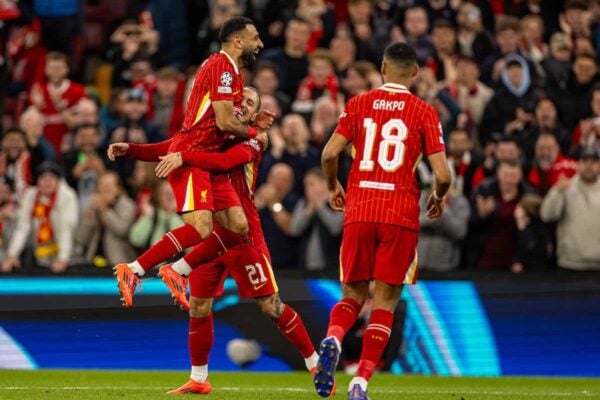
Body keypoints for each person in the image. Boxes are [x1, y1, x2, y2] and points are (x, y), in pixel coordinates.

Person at [124, 87, 320, 395]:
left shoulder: (255, 139)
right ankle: (199, 378)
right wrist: (132, 150)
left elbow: (224, 162)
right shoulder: (212, 132)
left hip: (243, 236)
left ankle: (315, 364)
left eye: (250, 103)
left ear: (254, 115)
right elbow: (169, 146)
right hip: (212, 236)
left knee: (271, 306)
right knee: (199, 307)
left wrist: (183, 157)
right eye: (240, 99)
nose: (242, 104)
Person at [108, 17, 274, 307]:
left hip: (201, 157)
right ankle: (134, 270)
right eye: (255, 37)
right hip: (194, 160)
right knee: (201, 228)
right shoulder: (223, 68)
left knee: (238, 226)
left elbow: (188, 134)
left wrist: (133, 149)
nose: (259, 44)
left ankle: (177, 270)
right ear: (238, 41)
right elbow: (221, 123)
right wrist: (253, 132)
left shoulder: (231, 74)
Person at [316, 43, 451, 399]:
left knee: (352, 295)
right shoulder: (424, 112)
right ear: (416, 73)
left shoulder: (358, 105)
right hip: (400, 215)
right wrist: (437, 198)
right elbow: (443, 175)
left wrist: (333, 187)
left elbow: (330, 153)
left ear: (383, 68)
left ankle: (333, 337)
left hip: (360, 210)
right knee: (385, 303)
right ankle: (360, 383)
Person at [1, 162, 78, 274]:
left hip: (66, 248)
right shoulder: (30, 196)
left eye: (52, 177)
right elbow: (23, 228)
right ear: (37, 181)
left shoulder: (67, 197)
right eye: (43, 178)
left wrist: (62, 259)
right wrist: (11, 255)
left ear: (58, 181)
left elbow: (66, 230)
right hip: (37, 249)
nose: (47, 182)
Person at [540, 148, 600, 271]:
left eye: (593, 162)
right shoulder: (565, 188)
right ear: (577, 165)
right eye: (584, 161)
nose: (589, 166)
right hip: (570, 264)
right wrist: (557, 191)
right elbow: (547, 215)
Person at [289, 167, 343, 270]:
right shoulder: (303, 204)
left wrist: (320, 207)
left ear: (325, 184)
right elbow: (294, 229)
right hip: (305, 267)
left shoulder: (338, 203)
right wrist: (309, 211)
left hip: (332, 267)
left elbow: (336, 228)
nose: (307, 189)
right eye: (306, 185)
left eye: (312, 184)